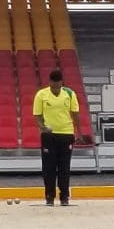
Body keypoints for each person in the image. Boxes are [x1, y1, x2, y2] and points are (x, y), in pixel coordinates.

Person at [34, 68, 81, 206]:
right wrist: (42, 128)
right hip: (49, 136)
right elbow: (37, 116)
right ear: (50, 83)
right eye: (53, 84)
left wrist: (78, 131)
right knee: (49, 167)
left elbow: (75, 113)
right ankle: (49, 196)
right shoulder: (41, 95)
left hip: (66, 134)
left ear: (61, 82)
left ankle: (64, 197)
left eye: (58, 84)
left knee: (64, 167)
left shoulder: (70, 93)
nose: (56, 87)